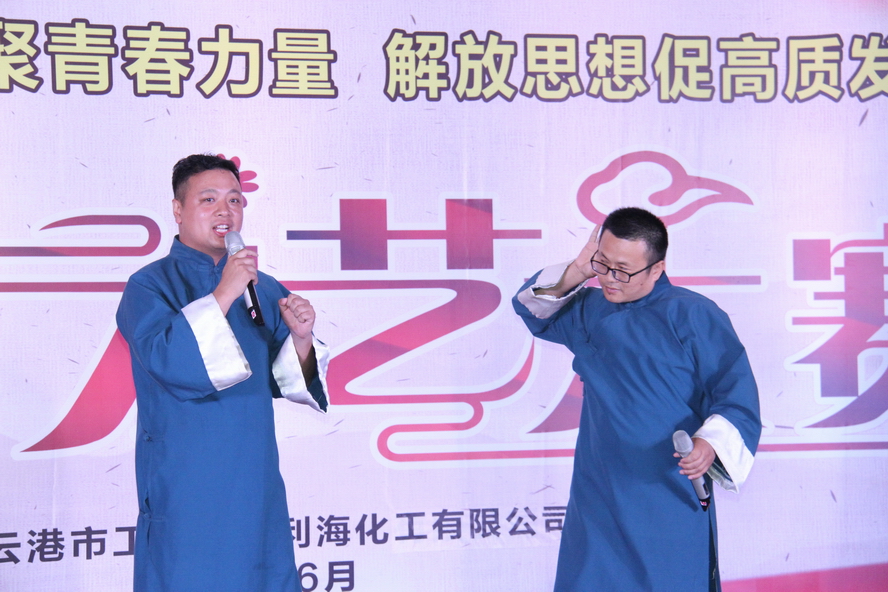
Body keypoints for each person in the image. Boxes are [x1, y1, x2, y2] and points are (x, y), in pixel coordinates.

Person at [513, 207, 760, 591]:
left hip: (667, 490)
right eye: (603, 264)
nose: (610, 278)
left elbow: (736, 394)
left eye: (623, 270)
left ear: (657, 269)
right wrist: (578, 270)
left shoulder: (693, 314)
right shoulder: (590, 310)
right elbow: (531, 308)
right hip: (599, 494)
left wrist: (709, 445)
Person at [116, 154, 329, 592]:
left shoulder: (264, 287)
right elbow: (168, 361)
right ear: (178, 210)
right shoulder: (149, 285)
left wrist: (302, 337)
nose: (225, 212)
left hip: (255, 477)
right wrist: (224, 292)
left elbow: (289, 380)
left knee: (263, 573)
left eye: (234, 200)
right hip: (186, 479)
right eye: (208, 199)